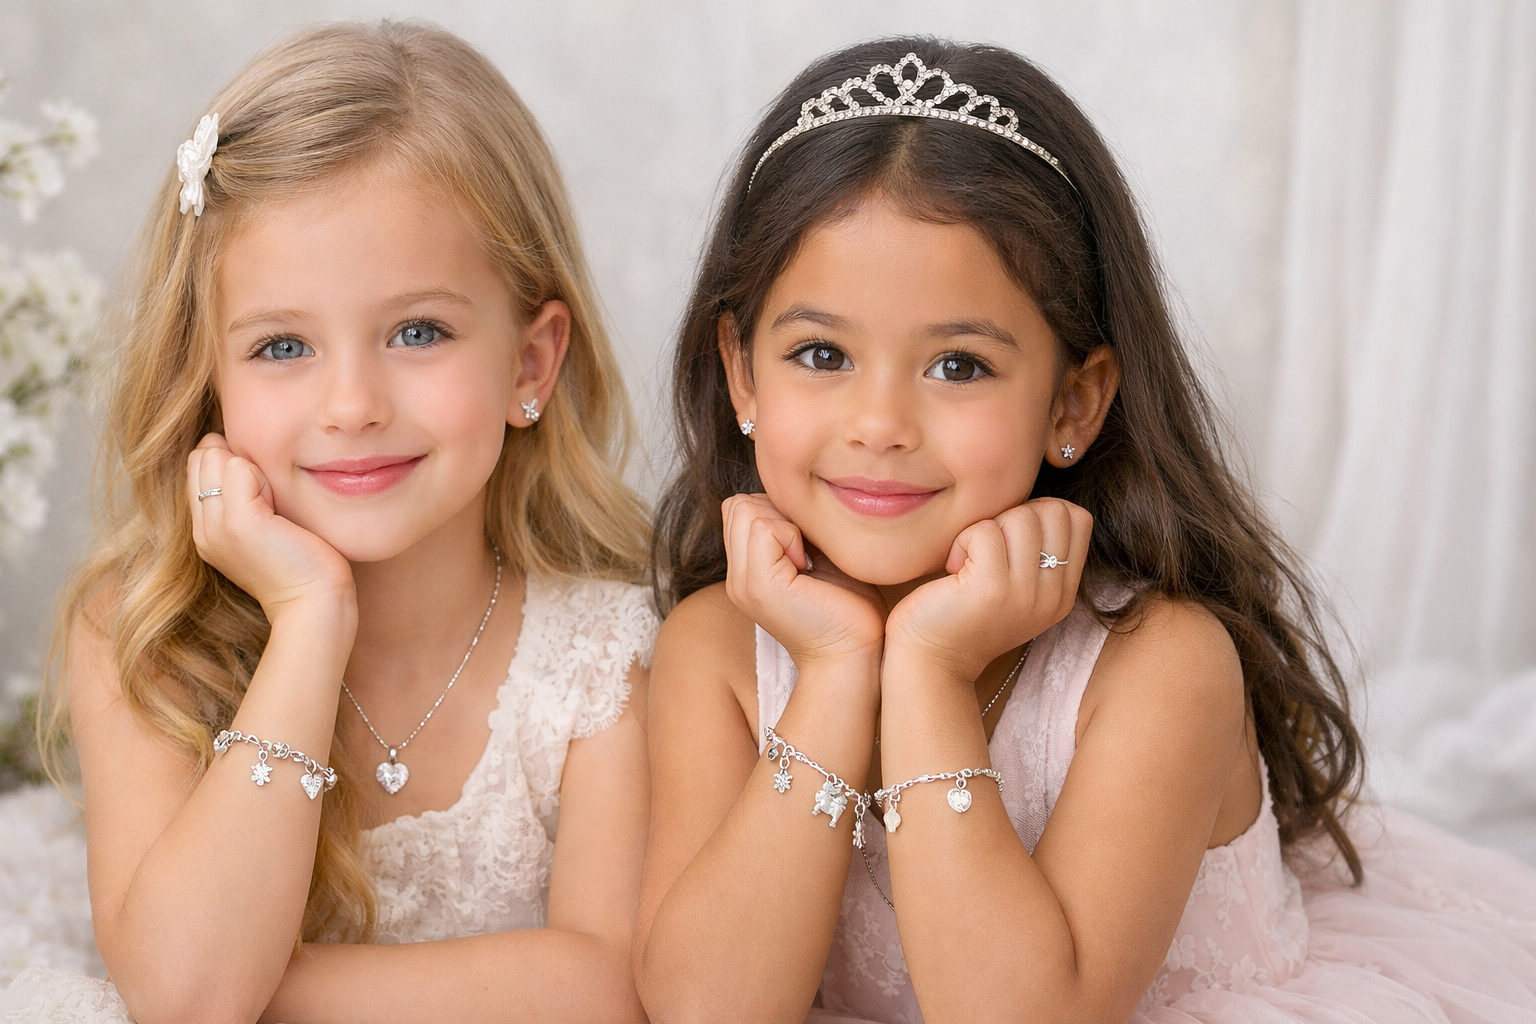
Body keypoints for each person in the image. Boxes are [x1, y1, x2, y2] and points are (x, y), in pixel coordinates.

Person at [636, 37, 1536, 1024]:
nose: (880, 423)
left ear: (1074, 402)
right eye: (820, 353)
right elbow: (703, 1009)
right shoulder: (721, 648)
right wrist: (841, 670)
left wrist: (928, 674)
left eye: (959, 367)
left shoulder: (1162, 667)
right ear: (741, 373)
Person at [4, 21, 655, 1024]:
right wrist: (310, 619)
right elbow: (189, 993)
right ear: (206, 376)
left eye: (418, 331)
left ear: (529, 363)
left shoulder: (607, 657)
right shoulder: (144, 635)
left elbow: (609, 986)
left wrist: (266, 984)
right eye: (281, 347)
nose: (351, 403)